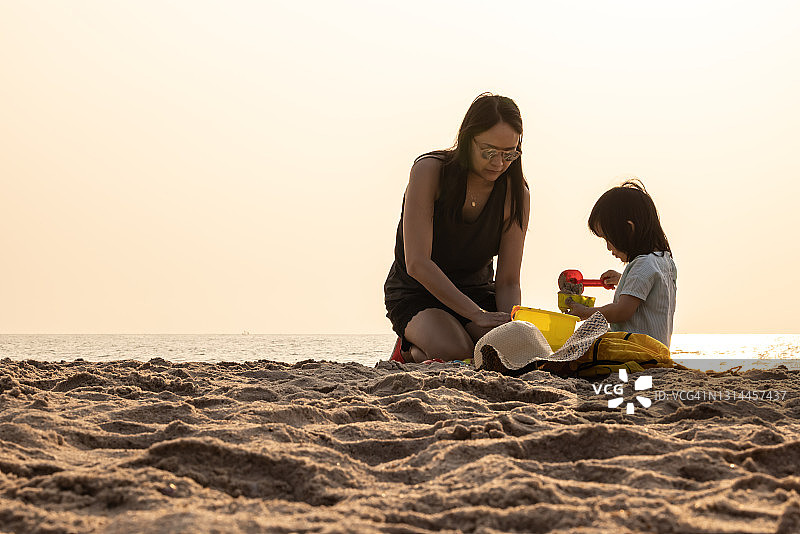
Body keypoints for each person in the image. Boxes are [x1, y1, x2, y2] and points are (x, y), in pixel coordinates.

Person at [384, 93, 530, 363]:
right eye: (489, 152)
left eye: (509, 154)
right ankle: (407, 350)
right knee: (457, 352)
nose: (499, 163)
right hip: (417, 292)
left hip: (476, 292)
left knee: (507, 351)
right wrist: (476, 315)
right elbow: (417, 263)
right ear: (467, 139)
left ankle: (443, 337)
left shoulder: (515, 193)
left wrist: (512, 328)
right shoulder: (429, 171)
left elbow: (509, 280)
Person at [565, 179, 677, 347]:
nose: (609, 247)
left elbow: (621, 312)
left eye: (608, 238)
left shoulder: (643, 265)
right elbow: (651, 288)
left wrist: (586, 312)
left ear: (628, 230)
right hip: (656, 351)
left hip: (635, 352)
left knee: (582, 343)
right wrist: (623, 279)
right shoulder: (664, 260)